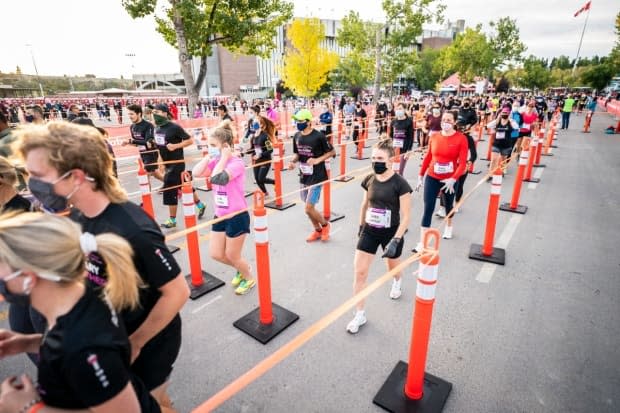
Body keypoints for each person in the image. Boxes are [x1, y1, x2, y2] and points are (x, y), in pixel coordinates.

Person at [16, 122, 189, 410]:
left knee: (153, 402)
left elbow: (177, 292)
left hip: (149, 342)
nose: (33, 184)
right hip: (112, 336)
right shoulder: (78, 217)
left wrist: (136, 341)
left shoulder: (133, 229)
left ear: (77, 177)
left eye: (39, 175)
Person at [0, 212, 162, 412]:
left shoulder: (85, 345)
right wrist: (27, 343)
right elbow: (70, 352)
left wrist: (30, 408)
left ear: (28, 277)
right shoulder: (78, 296)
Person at [346, 139, 412, 334]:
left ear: (390, 160)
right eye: (374, 158)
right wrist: (360, 225)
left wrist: (396, 239)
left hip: (391, 232)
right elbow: (365, 204)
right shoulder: (369, 179)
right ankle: (359, 314)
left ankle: (397, 281)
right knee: (359, 272)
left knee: (392, 268)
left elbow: (407, 216)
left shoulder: (400, 184)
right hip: (370, 229)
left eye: (380, 158)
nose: (376, 162)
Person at [192, 123, 256, 295]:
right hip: (220, 215)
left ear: (226, 146)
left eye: (213, 145)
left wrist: (223, 158)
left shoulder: (237, 163)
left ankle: (249, 277)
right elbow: (196, 173)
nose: (210, 148)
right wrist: (208, 156)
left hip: (237, 216)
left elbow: (218, 179)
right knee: (216, 254)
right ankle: (241, 268)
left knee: (233, 255)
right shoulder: (215, 162)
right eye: (208, 144)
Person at [414, 110, 468, 246]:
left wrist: (454, 179)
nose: (446, 123)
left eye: (449, 120)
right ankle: (422, 242)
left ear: (455, 122)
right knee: (428, 208)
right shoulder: (435, 137)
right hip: (432, 177)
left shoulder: (461, 138)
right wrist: (421, 175)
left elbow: (462, 164)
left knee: (448, 205)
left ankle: (449, 226)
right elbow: (428, 157)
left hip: (449, 180)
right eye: (444, 120)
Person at [152, 103, 206, 229]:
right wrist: (160, 161)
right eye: (154, 112)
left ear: (165, 113)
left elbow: (189, 140)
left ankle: (172, 219)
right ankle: (200, 205)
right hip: (167, 163)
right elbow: (160, 146)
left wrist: (176, 146)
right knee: (183, 185)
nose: (155, 114)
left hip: (177, 162)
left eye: (158, 112)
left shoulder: (174, 127)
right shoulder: (157, 129)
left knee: (170, 188)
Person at [287, 109, 336, 242]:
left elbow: (332, 152)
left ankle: (326, 226)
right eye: (296, 121)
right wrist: (292, 162)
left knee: (308, 208)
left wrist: (317, 160)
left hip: (317, 175)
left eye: (300, 121)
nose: (298, 123)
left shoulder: (319, 136)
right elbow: (298, 153)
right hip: (304, 175)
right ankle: (318, 230)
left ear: (308, 122)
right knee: (309, 208)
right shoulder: (297, 136)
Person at [127, 104, 163, 184]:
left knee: (145, 178)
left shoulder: (148, 125)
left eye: (132, 114)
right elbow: (137, 143)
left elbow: (147, 142)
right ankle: (176, 186)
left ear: (139, 114)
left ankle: (146, 196)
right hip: (142, 154)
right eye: (129, 114)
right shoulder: (132, 127)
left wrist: (132, 141)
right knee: (156, 174)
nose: (130, 116)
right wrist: (129, 143)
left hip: (151, 153)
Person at [486, 107, 520, 176]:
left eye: (506, 113)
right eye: (503, 113)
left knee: (503, 160)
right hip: (496, 144)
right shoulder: (497, 121)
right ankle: (490, 174)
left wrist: (510, 120)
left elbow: (516, 127)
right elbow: (488, 125)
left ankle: (501, 171)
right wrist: (494, 127)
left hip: (506, 145)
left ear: (508, 114)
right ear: (501, 113)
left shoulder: (511, 122)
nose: (504, 114)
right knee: (493, 159)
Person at [247, 116, 276, 196]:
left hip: (265, 160)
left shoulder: (265, 136)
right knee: (257, 179)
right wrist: (244, 152)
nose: (254, 124)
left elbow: (270, 150)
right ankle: (265, 193)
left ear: (261, 124)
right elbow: (252, 149)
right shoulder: (253, 137)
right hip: (257, 160)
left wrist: (260, 155)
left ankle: (275, 182)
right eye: (253, 123)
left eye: (257, 123)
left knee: (261, 178)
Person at [388, 102, 414, 175]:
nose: (398, 110)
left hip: (404, 149)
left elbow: (411, 136)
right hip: (394, 148)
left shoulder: (409, 121)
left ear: (404, 110)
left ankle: (400, 185)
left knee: (400, 172)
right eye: (397, 109)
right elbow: (390, 135)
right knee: (392, 171)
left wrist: (409, 150)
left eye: (400, 109)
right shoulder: (393, 121)